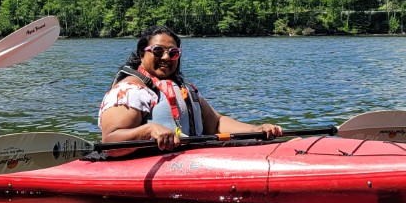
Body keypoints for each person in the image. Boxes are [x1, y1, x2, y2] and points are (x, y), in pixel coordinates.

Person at [98, 25, 282, 151]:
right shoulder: (130, 90)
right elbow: (111, 141)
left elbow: (216, 123)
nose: (166, 57)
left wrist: (256, 130)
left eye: (173, 53)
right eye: (157, 51)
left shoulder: (186, 89)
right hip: (150, 163)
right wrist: (149, 130)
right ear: (141, 54)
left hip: (194, 156)